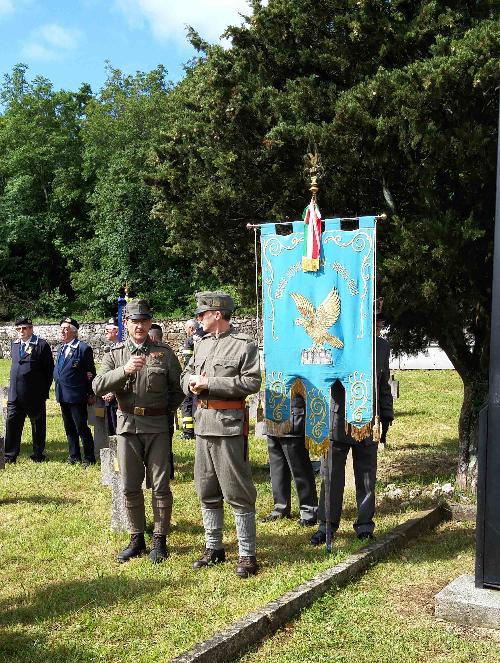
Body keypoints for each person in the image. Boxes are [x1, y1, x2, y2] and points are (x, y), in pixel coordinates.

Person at [93, 299, 184, 564]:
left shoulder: (164, 353)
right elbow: (98, 385)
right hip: (127, 428)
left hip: (157, 428)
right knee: (130, 485)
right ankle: (136, 538)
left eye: (144, 321)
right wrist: (124, 370)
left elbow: (177, 390)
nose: (140, 326)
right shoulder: (115, 354)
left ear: (149, 323)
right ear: (127, 324)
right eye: (135, 322)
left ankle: (159, 539)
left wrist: (161, 411)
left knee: (160, 485)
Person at [181, 291, 261, 577]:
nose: (198, 318)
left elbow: (251, 381)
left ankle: (247, 554)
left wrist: (210, 382)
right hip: (203, 426)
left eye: (202, 314)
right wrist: (189, 383)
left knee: (237, 490)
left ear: (217, 314)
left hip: (227, 426)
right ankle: (214, 547)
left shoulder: (243, 346)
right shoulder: (200, 344)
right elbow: (185, 374)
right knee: (206, 489)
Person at [310, 326, 394, 545]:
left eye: (378, 321)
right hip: (338, 418)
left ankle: (365, 525)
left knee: (367, 476)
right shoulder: (338, 342)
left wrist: (386, 415)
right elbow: (324, 376)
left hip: (368, 420)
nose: (375, 325)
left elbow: (382, 384)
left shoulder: (381, 347)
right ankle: (326, 525)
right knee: (330, 476)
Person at [261, 393, 318, 526]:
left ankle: (309, 511)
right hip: (272, 409)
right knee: (277, 467)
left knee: (299, 467)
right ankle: (280, 508)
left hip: (293, 410)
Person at [4, 317, 54, 463]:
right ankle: (9, 455)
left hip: (34, 394)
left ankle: (38, 454)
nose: (21, 331)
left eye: (24, 328)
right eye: (18, 329)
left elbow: (48, 371)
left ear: (31, 328)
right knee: (12, 425)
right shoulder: (14, 345)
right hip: (15, 395)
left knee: (38, 426)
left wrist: (42, 392)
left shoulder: (41, 345)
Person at [54, 317, 96, 466]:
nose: (62, 331)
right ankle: (74, 456)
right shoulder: (61, 348)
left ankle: (89, 457)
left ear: (73, 331)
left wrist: (91, 393)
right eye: (61, 328)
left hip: (77, 395)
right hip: (63, 394)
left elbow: (91, 372)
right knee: (69, 427)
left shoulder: (83, 348)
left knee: (81, 427)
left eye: (66, 328)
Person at [180, 319, 197, 439]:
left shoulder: (189, 341)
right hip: (202, 376)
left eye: (186, 329)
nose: (185, 331)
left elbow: (187, 362)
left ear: (191, 328)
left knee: (187, 403)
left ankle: (188, 432)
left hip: (191, 376)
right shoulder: (205, 338)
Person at [102, 317, 119, 435]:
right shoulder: (110, 348)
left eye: (108, 330)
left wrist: (113, 392)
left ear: (117, 331)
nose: (105, 333)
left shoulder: (124, 349)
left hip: (118, 397)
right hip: (108, 396)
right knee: (110, 429)